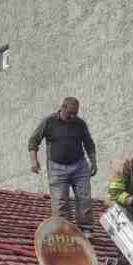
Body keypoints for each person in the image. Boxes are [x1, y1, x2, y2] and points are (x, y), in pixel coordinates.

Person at [28, 97, 96, 230]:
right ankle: (65, 230)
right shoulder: (49, 121)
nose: (72, 116)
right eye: (70, 113)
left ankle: (86, 228)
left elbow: (89, 143)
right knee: (60, 202)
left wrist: (93, 161)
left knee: (84, 198)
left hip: (79, 166)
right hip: (57, 168)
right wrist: (33, 160)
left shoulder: (80, 124)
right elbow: (33, 140)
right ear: (62, 107)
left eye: (75, 113)